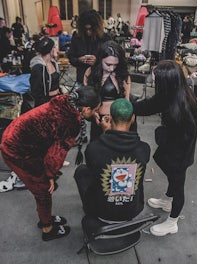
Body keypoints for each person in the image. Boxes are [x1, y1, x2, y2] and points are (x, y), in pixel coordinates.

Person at [1, 86, 101, 241]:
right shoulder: (71, 122)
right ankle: (47, 228)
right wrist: (49, 176)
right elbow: (56, 155)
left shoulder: (66, 101)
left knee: (44, 184)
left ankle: (46, 217)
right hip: (17, 150)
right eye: (95, 110)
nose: (96, 113)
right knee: (43, 191)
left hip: (17, 135)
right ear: (86, 108)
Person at [133, 60, 197, 236]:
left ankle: (172, 221)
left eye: (156, 80)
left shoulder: (183, 106)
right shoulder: (170, 94)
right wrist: (128, 106)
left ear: (166, 83)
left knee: (178, 183)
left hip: (181, 153)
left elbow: (178, 138)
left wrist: (160, 133)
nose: (153, 82)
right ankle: (167, 200)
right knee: (171, 175)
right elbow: (149, 105)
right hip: (173, 149)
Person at [74, 98, 150, 221]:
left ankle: (91, 210)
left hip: (101, 211)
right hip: (132, 210)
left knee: (81, 171)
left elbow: (94, 169)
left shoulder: (93, 149)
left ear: (110, 118)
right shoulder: (144, 148)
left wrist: (105, 134)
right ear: (133, 118)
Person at [83, 40, 133, 141]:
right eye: (108, 64)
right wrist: (93, 113)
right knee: (98, 152)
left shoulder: (123, 74)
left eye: (115, 65)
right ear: (100, 59)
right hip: (98, 119)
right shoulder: (90, 72)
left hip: (119, 120)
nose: (111, 68)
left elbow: (127, 101)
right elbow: (87, 100)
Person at [68, 9, 111, 84]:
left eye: (91, 29)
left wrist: (97, 61)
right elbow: (71, 57)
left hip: (100, 80)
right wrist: (79, 60)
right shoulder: (77, 37)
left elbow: (112, 60)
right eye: (85, 29)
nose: (88, 31)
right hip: (81, 79)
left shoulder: (105, 38)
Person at [30, 37, 60, 107]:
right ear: (50, 49)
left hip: (56, 100)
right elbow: (36, 92)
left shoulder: (53, 63)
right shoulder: (38, 68)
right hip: (45, 104)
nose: (57, 49)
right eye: (54, 47)